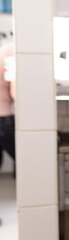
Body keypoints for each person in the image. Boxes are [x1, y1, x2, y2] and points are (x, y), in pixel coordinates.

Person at [0, 42, 15, 172]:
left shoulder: (5, 50)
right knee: (23, 158)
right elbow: (15, 93)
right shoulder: (12, 53)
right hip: (3, 118)